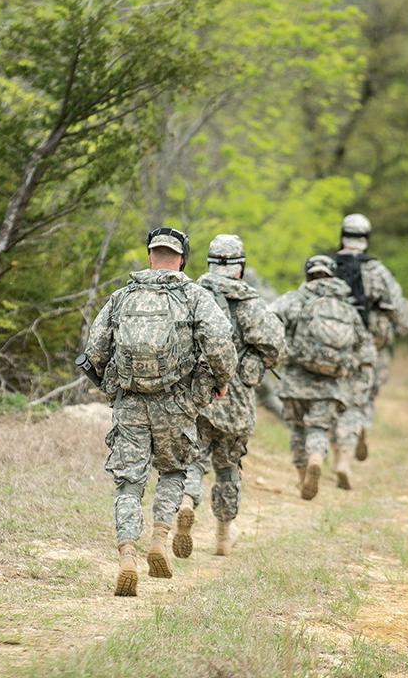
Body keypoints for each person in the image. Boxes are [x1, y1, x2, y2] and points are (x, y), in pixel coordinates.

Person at [84, 227, 237, 596]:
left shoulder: (121, 297)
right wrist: (221, 380)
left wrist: (112, 387)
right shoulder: (194, 296)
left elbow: (94, 351)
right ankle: (159, 538)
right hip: (176, 401)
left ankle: (126, 555)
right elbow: (219, 343)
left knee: (129, 483)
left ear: (150, 256)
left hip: (130, 402)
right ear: (182, 259)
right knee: (172, 471)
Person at [172, 235, 285, 558]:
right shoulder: (250, 302)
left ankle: (185, 501)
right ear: (240, 267)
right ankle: (223, 533)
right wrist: (252, 364)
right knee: (228, 467)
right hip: (235, 401)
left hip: (196, 397)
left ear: (208, 263)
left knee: (193, 459)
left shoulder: (190, 295)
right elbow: (276, 345)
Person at [271, 255, 374, 499]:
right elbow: (363, 345)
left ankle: (302, 476)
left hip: (295, 380)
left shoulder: (294, 300)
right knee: (318, 427)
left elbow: (267, 321)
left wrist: (279, 352)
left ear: (308, 275)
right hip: (331, 384)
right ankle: (317, 457)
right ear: (332, 275)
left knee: (297, 429)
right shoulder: (347, 307)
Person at [334, 213, 408, 460]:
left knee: (336, 392)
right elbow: (398, 307)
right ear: (367, 238)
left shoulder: (328, 267)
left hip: (334, 345)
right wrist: (401, 328)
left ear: (343, 235)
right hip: (372, 346)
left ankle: (336, 441)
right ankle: (360, 427)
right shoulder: (378, 271)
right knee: (366, 391)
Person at [242, 267, 285, 423]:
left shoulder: (245, 297)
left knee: (264, 394)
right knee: (267, 394)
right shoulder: (269, 294)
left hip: (248, 354)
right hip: (264, 353)